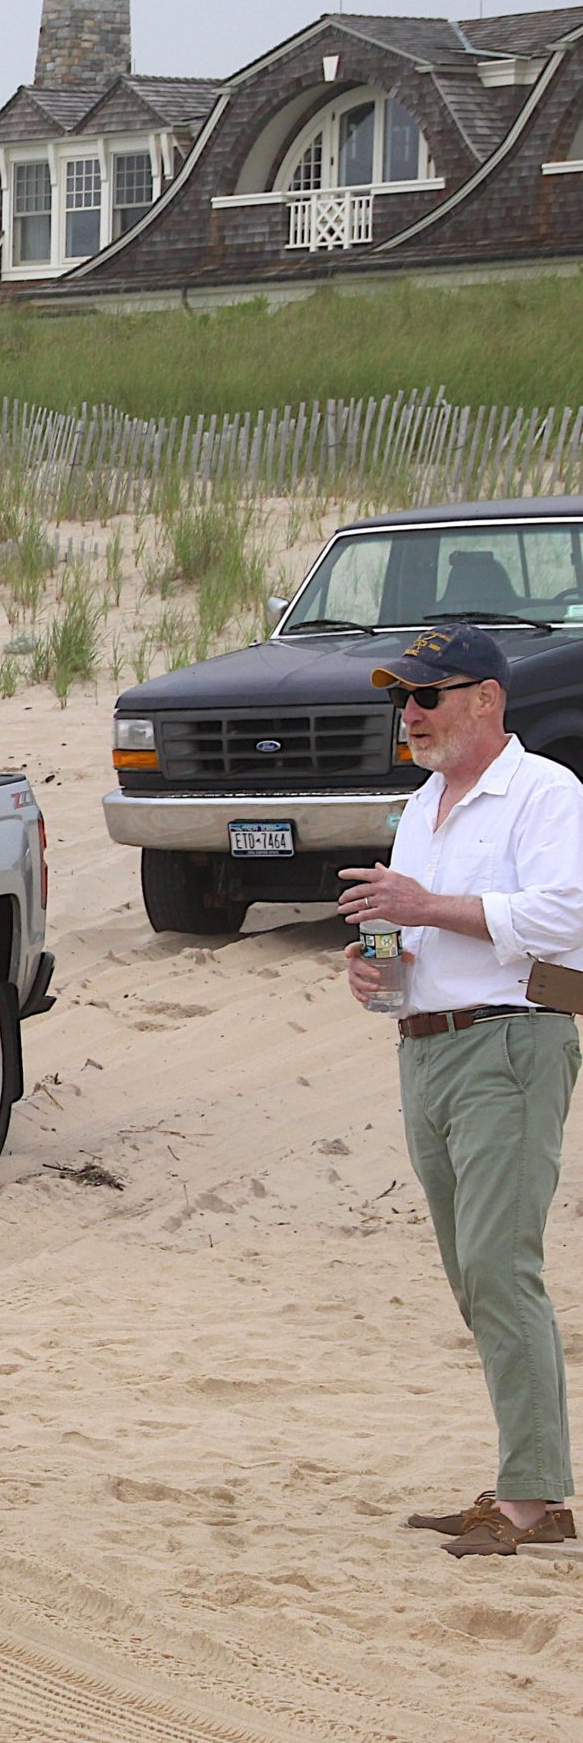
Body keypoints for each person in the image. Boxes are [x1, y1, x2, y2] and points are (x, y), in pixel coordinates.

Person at [338, 624, 583, 1556]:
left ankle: (531, 1497)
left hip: (513, 1043)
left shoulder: (547, 792)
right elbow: (410, 937)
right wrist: (373, 969)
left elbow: (565, 914)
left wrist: (422, 907)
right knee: (469, 1272)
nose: (410, 713)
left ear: (487, 699)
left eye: (427, 696)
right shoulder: (421, 807)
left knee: (497, 1265)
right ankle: (531, 1485)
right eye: (402, 697)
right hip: (426, 1050)